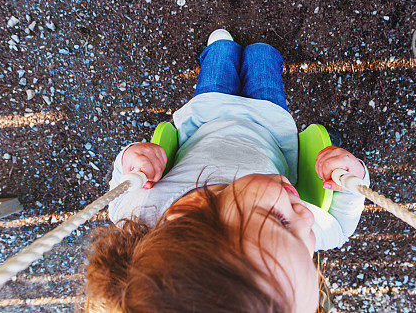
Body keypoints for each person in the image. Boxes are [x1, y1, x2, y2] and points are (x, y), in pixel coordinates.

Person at [86, 29, 367, 312]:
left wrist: (133, 161)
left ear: (194, 208)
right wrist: (350, 177)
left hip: (207, 114)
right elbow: (340, 227)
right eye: (309, 261)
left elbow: (122, 182)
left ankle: (223, 47)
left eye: (281, 220)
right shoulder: (296, 236)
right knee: (263, 57)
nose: (307, 216)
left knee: (220, 57)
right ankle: (259, 50)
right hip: (267, 123)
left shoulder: (138, 208)